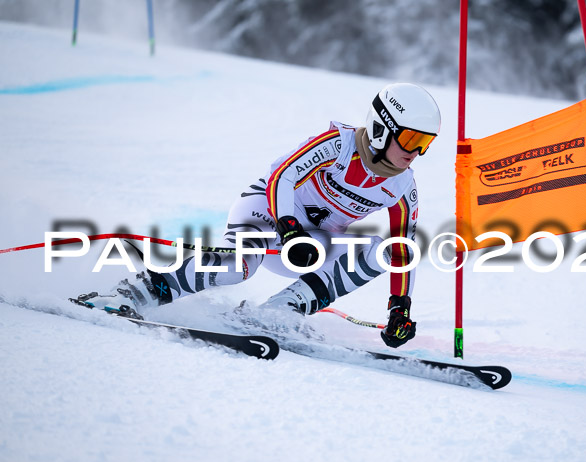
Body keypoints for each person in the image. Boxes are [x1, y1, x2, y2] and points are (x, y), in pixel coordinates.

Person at [77, 83, 441, 348]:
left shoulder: (402, 189)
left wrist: (399, 307)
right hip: (266, 213)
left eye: (424, 144)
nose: (416, 152)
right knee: (238, 268)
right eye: (410, 139)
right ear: (381, 127)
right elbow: (282, 176)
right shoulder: (338, 145)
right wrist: (290, 227)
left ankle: (281, 312)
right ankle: (135, 292)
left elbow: (400, 251)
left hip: (312, 245)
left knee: (381, 249)